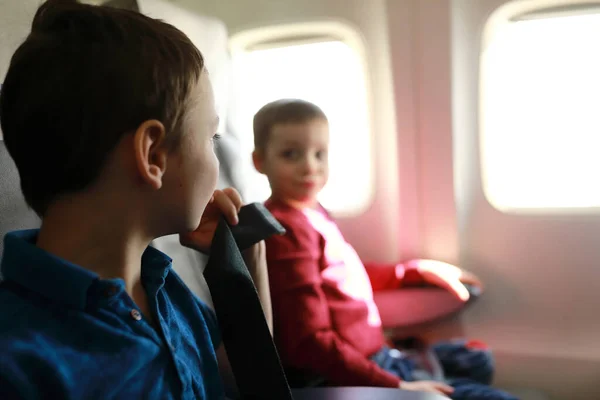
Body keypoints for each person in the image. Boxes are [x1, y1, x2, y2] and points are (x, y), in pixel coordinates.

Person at [0, 1, 264, 398]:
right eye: (210, 138)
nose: (216, 161)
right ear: (153, 155)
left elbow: (248, 378)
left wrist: (246, 261)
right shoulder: (20, 359)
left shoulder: (163, 287)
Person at [253, 98, 518, 399]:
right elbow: (308, 344)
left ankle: (423, 372)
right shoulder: (284, 230)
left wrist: (414, 271)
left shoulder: (313, 213)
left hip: (380, 356)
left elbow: (344, 276)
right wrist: (397, 387)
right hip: (353, 373)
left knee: (477, 360)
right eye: (291, 154)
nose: (309, 167)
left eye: (319, 154)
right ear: (260, 161)